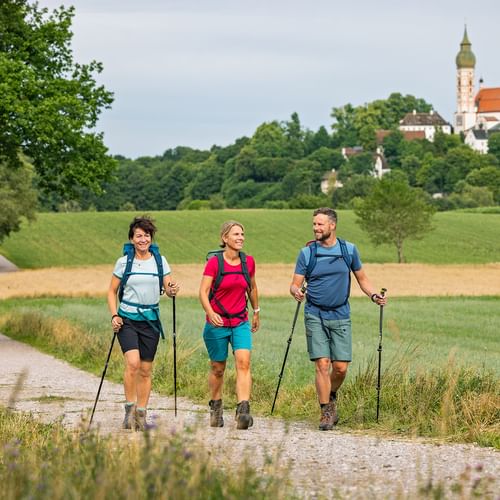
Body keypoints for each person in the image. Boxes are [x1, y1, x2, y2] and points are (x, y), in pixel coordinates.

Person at [289, 207, 387, 430]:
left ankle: (330, 395)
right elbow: (295, 283)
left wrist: (374, 295)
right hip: (315, 313)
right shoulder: (307, 253)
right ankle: (325, 412)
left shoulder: (348, 250)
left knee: (341, 367)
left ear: (332, 225)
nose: (316, 228)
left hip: (341, 314)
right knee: (322, 364)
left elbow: (362, 279)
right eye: (314, 224)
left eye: (320, 224)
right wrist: (296, 291)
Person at [108, 215, 179, 431]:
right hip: (127, 319)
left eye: (146, 235)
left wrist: (172, 289)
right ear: (131, 239)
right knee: (133, 364)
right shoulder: (123, 262)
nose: (143, 239)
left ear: (151, 238)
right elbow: (111, 291)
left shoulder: (160, 260)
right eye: (138, 235)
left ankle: (141, 414)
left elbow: (168, 287)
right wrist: (114, 315)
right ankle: (129, 411)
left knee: (146, 370)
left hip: (151, 321)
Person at [199, 220, 260, 430]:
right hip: (217, 323)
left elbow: (252, 287)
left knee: (244, 362)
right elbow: (203, 292)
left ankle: (243, 410)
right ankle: (216, 406)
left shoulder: (248, 262)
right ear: (225, 238)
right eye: (236, 234)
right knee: (218, 368)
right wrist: (210, 312)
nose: (241, 237)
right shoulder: (215, 263)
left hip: (240, 320)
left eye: (242, 234)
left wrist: (256, 311)